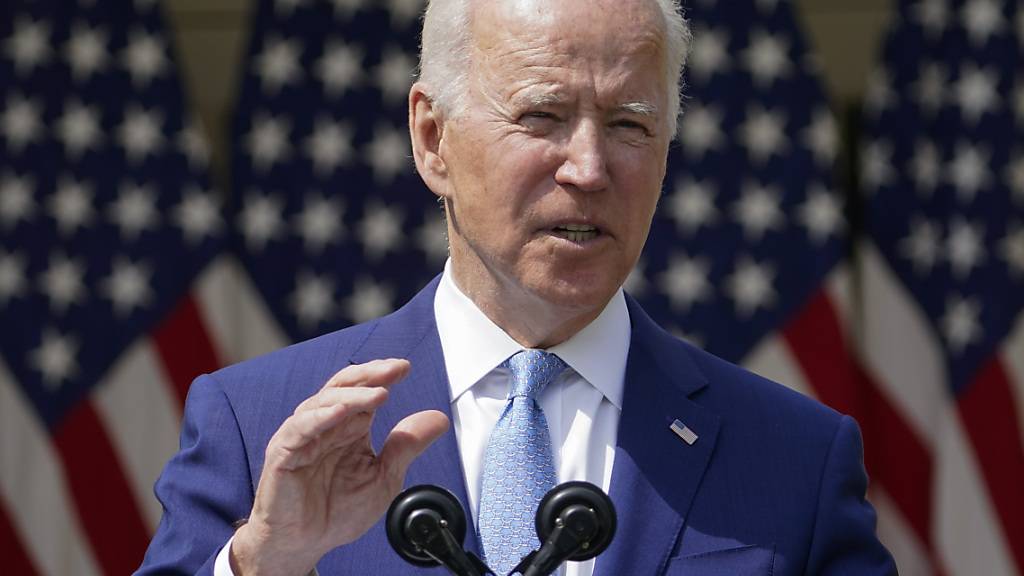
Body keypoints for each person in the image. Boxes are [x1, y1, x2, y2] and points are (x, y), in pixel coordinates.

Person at [137, 0, 897, 574]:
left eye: (631, 125)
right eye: (543, 116)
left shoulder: (795, 455)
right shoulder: (256, 425)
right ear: (433, 139)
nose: (590, 169)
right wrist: (263, 564)